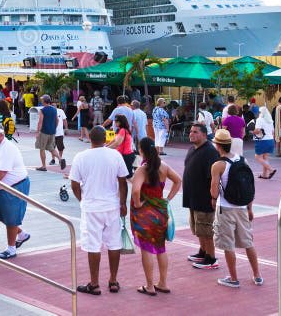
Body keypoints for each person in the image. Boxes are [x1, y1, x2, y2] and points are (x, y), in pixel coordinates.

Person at [69, 126, 129, 296]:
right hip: (111, 205)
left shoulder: (81, 156)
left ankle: (94, 283)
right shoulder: (115, 155)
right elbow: (123, 181)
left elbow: (74, 183)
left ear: (90, 138)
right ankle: (113, 280)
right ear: (105, 139)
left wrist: (82, 199)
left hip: (91, 207)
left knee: (93, 245)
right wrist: (123, 203)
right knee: (114, 243)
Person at [209, 130, 262, 288]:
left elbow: (214, 191)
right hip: (242, 207)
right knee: (248, 242)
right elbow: (249, 186)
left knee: (228, 244)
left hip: (225, 208)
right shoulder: (242, 161)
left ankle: (233, 278)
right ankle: (257, 275)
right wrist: (249, 208)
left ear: (217, 146)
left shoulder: (218, 165)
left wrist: (213, 200)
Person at [130, 137, 182, 295]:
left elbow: (136, 190)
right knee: (160, 248)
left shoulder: (142, 169)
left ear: (141, 150)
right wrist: (168, 199)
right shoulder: (163, 166)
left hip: (145, 213)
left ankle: (150, 286)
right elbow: (178, 180)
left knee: (146, 249)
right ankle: (163, 283)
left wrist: (138, 204)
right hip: (160, 212)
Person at [0, 123, 30, 259]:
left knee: (11, 218)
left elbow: (2, 172)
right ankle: (22, 234)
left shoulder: (8, 148)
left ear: (1, 135)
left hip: (15, 186)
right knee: (0, 215)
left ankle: (11, 249)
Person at [184, 123, 220, 270]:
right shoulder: (193, 148)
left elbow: (213, 178)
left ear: (205, 135)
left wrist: (213, 197)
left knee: (205, 229)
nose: (191, 134)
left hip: (204, 198)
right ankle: (203, 251)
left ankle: (211, 258)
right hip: (193, 197)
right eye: (191, 131)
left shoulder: (210, 152)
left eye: (195, 132)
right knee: (197, 228)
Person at [36, 95, 63, 171]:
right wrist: (54, 128)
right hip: (52, 132)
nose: (41, 101)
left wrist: (37, 132)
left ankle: (44, 166)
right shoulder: (54, 109)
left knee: (42, 148)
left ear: (44, 101)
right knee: (51, 147)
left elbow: (40, 122)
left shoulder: (42, 110)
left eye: (42, 100)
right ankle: (60, 159)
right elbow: (57, 120)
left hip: (44, 131)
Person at [253, 106, 277, 179]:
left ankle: (271, 170)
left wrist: (252, 131)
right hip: (270, 140)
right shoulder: (270, 121)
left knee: (257, 157)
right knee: (265, 157)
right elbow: (273, 132)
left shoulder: (259, 119)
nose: (258, 113)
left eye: (259, 112)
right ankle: (264, 174)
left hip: (262, 141)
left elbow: (257, 130)